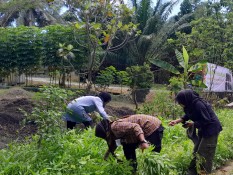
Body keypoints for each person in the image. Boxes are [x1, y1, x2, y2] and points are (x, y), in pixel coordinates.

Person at [169, 89, 222, 175]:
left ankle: (204, 173)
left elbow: (207, 120)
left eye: (180, 102)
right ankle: (192, 172)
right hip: (203, 129)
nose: (180, 104)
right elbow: (189, 114)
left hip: (211, 130)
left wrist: (193, 124)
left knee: (204, 154)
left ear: (186, 99)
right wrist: (178, 120)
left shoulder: (199, 105)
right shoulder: (191, 104)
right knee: (196, 152)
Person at [95, 114, 164, 172]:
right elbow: (113, 145)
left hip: (151, 126)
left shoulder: (115, 127)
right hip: (142, 128)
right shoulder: (112, 132)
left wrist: (143, 141)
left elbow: (136, 126)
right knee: (127, 147)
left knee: (153, 154)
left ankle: (155, 171)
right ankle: (133, 170)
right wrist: (106, 157)